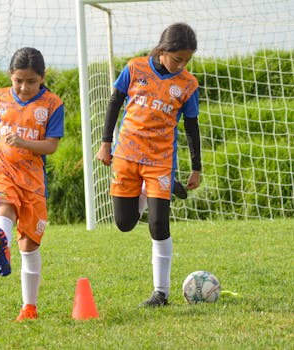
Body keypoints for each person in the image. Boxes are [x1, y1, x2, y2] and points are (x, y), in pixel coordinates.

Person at [96, 23, 202, 307]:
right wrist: (106, 142)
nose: (181, 65)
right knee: (125, 223)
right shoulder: (135, 68)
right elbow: (114, 102)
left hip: (160, 161)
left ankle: (161, 293)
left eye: (186, 60)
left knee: (158, 224)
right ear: (162, 49)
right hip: (126, 156)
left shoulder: (188, 85)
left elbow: (192, 127)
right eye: (177, 58)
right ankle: (145, 191)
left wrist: (196, 167)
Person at [0, 47, 64, 321]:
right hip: (3, 168)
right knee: (4, 204)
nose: (23, 87)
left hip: (32, 180)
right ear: (11, 76)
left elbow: (51, 146)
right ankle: (0, 239)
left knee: (30, 246)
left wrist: (23, 142)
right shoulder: (2, 97)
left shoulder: (53, 105)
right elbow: (1, 123)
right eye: (18, 80)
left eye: (31, 81)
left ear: (42, 77)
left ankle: (29, 308)